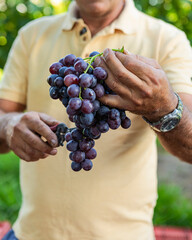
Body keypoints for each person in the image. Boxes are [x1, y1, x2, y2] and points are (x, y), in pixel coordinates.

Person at [0, 0, 192, 239]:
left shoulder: (167, 39)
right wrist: (8, 125)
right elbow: (3, 114)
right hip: (30, 233)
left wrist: (164, 108)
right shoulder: (32, 34)